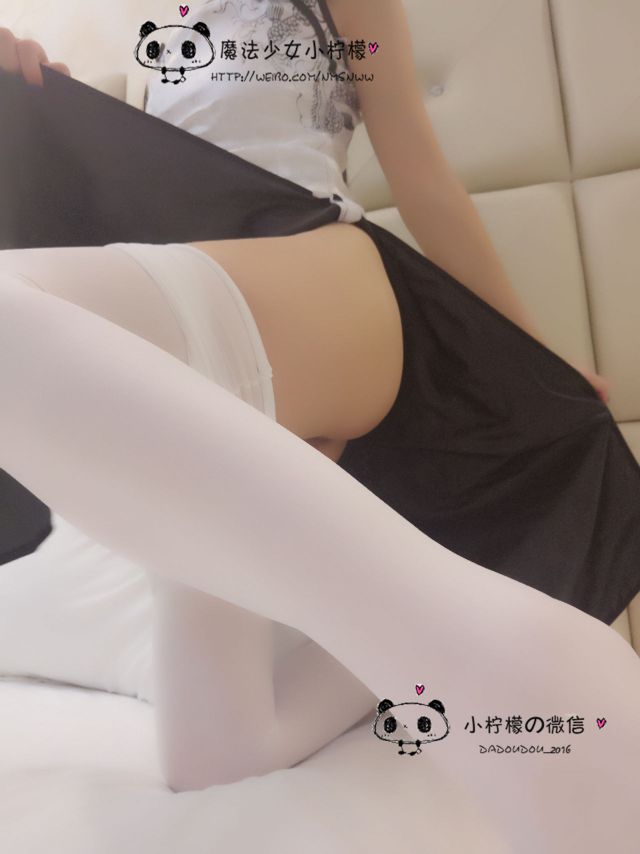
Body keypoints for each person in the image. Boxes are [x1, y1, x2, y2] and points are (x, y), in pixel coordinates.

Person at [1, 4, 639, 851]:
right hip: (205, 322)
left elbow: (420, 173)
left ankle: (507, 660)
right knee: (218, 752)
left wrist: (534, 357)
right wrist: (37, 102)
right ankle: (464, 608)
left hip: (318, 281)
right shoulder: (159, 19)